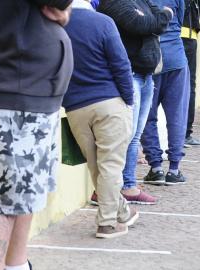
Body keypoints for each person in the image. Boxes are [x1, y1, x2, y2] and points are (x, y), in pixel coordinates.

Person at [0, 0, 73, 269]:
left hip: (28, 88)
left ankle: (16, 265)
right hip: (13, 85)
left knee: (24, 192)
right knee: (3, 199)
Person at [63, 0, 138, 238]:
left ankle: (122, 210)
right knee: (111, 166)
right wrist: (128, 99)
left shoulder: (57, 25)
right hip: (108, 102)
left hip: (75, 108)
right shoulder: (103, 22)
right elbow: (121, 64)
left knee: (97, 166)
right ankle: (106, 223)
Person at [98, 0, 173, 204]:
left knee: (134, 134)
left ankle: (125, 185)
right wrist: (156, 19)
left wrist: (156, 18)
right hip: (129, 74)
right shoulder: (114, 3)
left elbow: (159, 17)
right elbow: (143, 24)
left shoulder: (141, 1)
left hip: (146, 75)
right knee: (126, 134)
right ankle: (124, 186)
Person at [141, 0, 190, 186]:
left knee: (148, 115)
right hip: (176, 57)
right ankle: (174, 169)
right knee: (177, 115)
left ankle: (156, 168)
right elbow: (180, 18)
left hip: (149, 57)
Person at [182, 0, 200, 147]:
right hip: (187, 37)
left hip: (179, 36)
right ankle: (184, 133)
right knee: (188, 86)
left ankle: (181, 133)